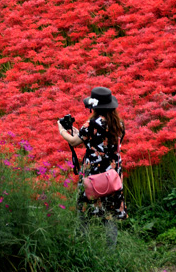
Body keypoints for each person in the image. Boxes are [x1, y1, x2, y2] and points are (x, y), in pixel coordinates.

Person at [57, 86, 127, 248]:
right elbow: (102, 142)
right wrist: (80, 134)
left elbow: (75, 142)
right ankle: (111, 253)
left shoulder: (91, 123)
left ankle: (82, 248)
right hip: (113, 173)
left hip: (94, 174)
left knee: (84, 212)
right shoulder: (119, 124)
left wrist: (61, 130)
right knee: (110, 215)